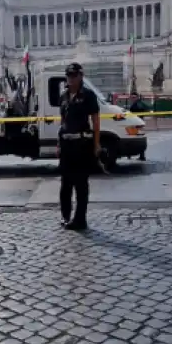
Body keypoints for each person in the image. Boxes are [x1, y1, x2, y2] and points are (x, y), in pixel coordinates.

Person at [58, 62, 102, 231]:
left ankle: (80, 219)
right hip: (66, 144)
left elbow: (96, 121)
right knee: (65, 184)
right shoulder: (63, 96)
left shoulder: (89, 95)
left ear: (81, 76)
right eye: (69, 76)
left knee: (81, 184)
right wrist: (58, 143)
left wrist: (96, 144)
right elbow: (63, 121)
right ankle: (65, 215)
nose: (71, 79)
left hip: (81, 144)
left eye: (74, 76)